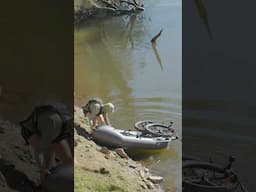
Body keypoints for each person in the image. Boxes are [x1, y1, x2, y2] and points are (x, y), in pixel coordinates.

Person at [20, 101, 73, 185]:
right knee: (47, 158)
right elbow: (39, 151)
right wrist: (42, 169)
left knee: (68, 161)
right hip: (31, 129)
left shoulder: (68, 126)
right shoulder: (52, 126)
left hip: (55, 128)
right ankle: (43, 184)